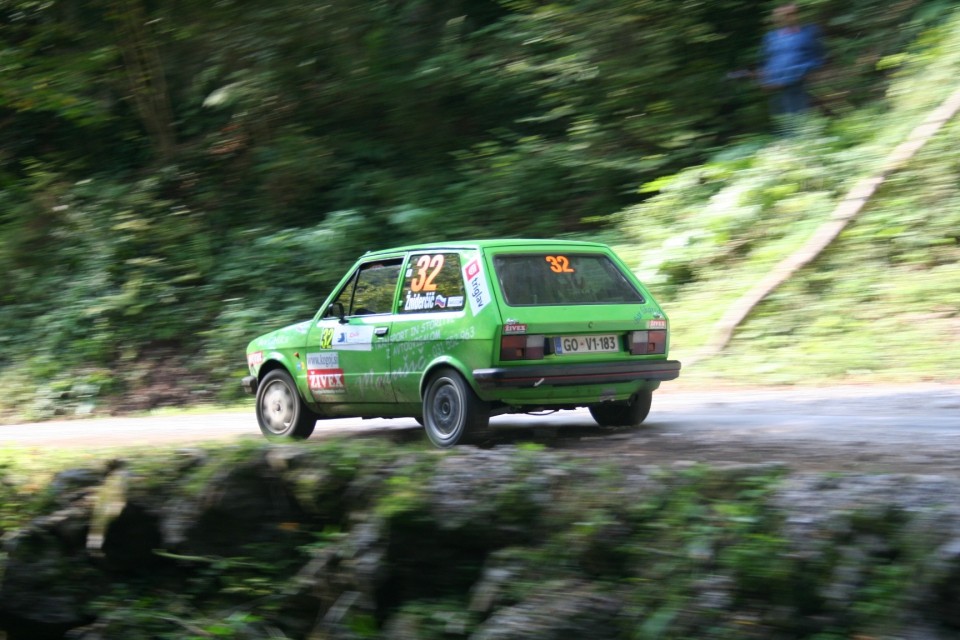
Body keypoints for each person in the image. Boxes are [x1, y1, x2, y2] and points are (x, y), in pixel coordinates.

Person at [760, 3, 824, 117]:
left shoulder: (808, 33)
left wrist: (796, 75)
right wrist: (765, 80)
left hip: (799, 85)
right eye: (782, 15)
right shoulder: (770, 38)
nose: (787, 17)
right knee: (782, 123)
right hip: (775, 88)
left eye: (790, 14)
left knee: (800, 121)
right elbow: (765, 61)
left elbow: (817, 58)